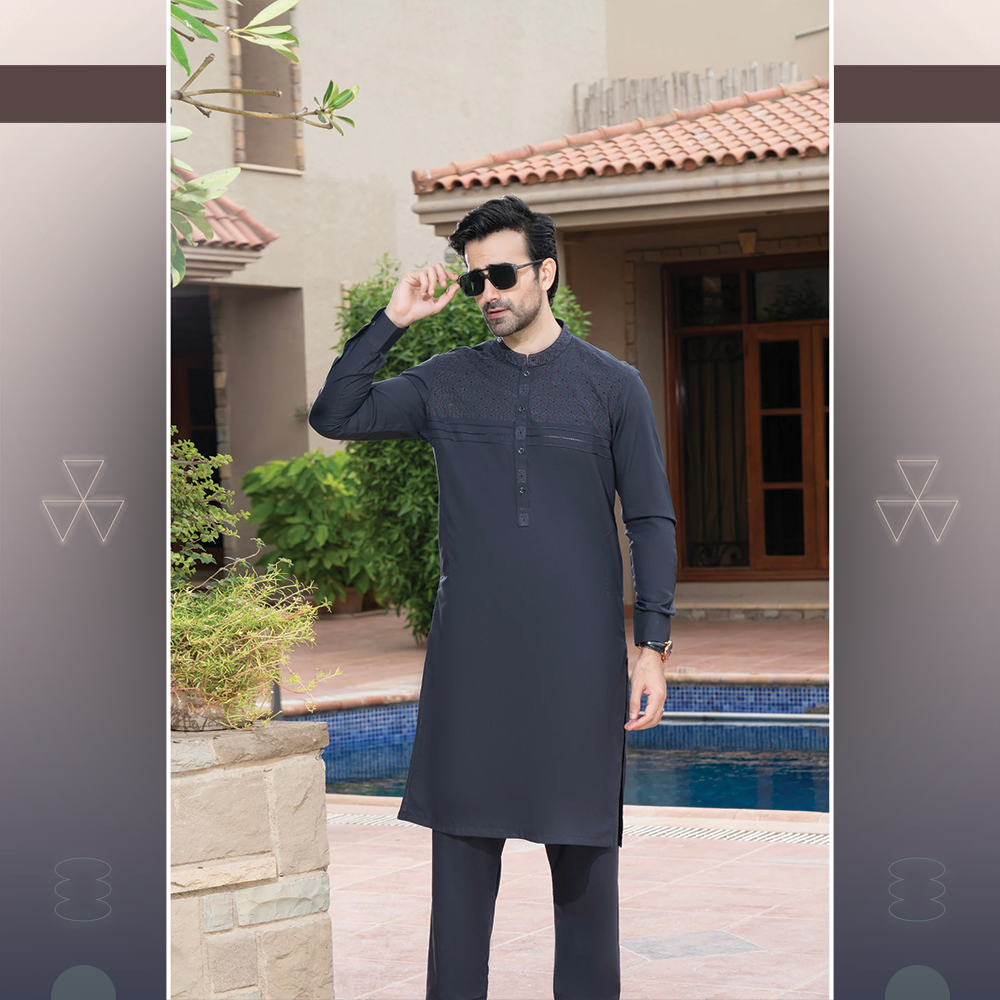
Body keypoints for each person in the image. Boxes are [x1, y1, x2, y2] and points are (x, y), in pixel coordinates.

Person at [309, 194, 677, 1000]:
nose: (487, 293)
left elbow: (650, 519)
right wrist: (392, 320)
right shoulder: (445, 383)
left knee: (586, 875)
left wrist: (652, 645)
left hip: (578, 664)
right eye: (475, 280)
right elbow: (335, 414)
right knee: (461, 882)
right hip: (471, 666)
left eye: (502, 275)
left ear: (546, 273)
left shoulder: (613, 387)